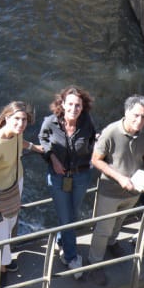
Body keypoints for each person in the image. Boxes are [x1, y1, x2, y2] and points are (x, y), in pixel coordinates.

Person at [88, 95, 144, 278]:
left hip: (134, 189)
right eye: (135, 115)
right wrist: (120, 178)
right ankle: (94, 263)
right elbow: (96, 160)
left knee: (120, 221)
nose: (139, 120)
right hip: (110, 191)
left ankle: (112, 243)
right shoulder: (110, 133)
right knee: (103, 229)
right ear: (126, 112)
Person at [37, 86, 97, 271]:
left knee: (72, 213)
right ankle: (71, 258)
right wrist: (53, 158)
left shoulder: (87, 122)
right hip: (58, 177)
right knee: (68, 217)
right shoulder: (50, 122)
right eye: (70, 104)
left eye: (77, 105)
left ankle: (61, 240)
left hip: (81, 175)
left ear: (83, 107)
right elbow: (43, 139)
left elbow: (93, 141)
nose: (73, 109)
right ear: (62, 104)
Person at [0, 102, 41, 278]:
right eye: (16, 119)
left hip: (13, 185)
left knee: (10, 224)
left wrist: (34, 147)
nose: (21, 124)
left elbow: (20, 142)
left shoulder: (16, 134)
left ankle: (3, 260)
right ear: (6, 118)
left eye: (24, 120)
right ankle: (0, 273)